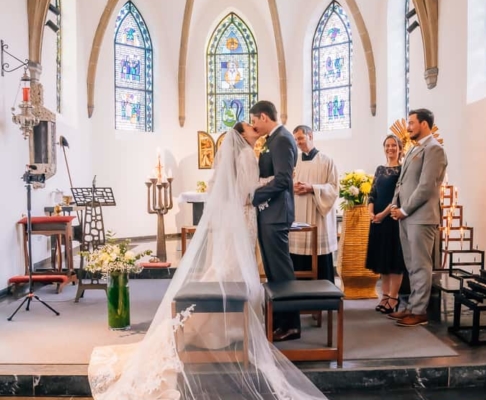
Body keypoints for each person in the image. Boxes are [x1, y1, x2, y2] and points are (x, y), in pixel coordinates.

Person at [87, 127, 327, 400]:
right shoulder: (248, 154)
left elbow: (233, 188)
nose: (254, 129)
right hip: (246, 216)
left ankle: (225, 324)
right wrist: (274, 180)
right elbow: (248, 190)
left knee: (229, 268)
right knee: (236, 269)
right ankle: (227, 328)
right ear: (242, 135)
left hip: (238, 218)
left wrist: (268, 181)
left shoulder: (241, 154)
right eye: (250, 128)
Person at [389, 108, 448, 327]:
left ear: (424, 124)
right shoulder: (415, 150)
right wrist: (396, 205)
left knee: (421, 264)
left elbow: (426, 187)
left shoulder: (435, 149)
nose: (408, 127)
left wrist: (405, 210)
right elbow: (402, 182)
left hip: (421, 217)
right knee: (411, 264)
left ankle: (420, 311)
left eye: (411, 123)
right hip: (407, 217)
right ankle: (413, 305)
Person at [250, 100, 301, 342]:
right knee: (272, 271)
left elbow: (283, 180)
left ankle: (291, 324)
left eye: (254, 121)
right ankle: (279, 320)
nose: (253, 126)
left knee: (281, 271)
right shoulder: (273, 139)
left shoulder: (281, 139)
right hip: (268, 213)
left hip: (277, 213)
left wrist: (253, 195)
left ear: (263, 116)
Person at [290, 125, 339, 282]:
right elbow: (283, 183)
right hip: (297, 216)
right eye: (296, 139)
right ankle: (298, 300)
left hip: (318, 217)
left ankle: (323, 299)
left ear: (310, 136)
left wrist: (312, 188)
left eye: (301, 138)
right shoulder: (293, 161)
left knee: (319, 256)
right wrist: (292, 187)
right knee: (297, 258)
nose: (298, 142)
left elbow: (333, 188)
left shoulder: (326, 161)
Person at [365, 134, 407, 314]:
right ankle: (384, 296)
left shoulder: (403, 169)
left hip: (393, 219)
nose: (390, 149)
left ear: (399, 148)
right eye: (387, 145)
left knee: (394, 258)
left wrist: (383, 214)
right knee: (382, 258)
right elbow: (373, 192)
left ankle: (394, 297)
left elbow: (399, 196)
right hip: (378, 219)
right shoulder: (380, 169)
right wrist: (370, 211)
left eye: (394, 146)